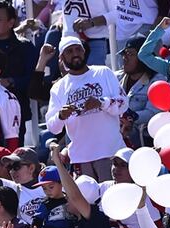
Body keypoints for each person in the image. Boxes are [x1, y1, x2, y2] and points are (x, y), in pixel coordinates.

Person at [45, 37, 127, 179]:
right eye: (69, 51)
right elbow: (53, 127)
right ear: (61, 57)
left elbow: (123, 103)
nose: (75, 54)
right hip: (80, 158)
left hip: (110, 152)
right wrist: (61, 115)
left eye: (78, 49)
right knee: (88, 201)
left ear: (84, 51)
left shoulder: (103, 72)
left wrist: (102, 102)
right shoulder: (58, 88)